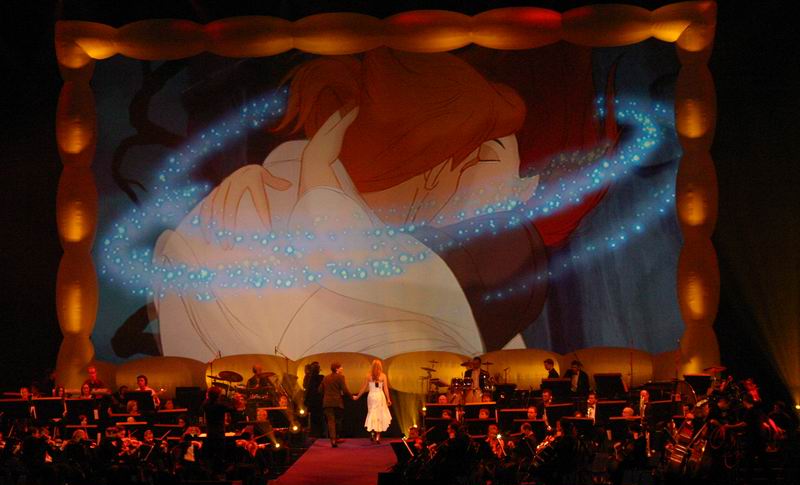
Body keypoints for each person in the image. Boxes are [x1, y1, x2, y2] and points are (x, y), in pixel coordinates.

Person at [152, 47, 616, 362]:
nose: (518, 195)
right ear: (445, 169)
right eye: (505, 179)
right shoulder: (250, 229)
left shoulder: (342, 214)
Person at [353, 359, 392, 443]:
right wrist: (388, 399)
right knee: (379, 415)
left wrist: (357, 396)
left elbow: (363, 388)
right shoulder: (383, 376)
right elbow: (385, 388)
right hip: (380, 396)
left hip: (371, 396)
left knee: (372, 413)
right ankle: (377, 435)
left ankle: (372, 432)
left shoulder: (368, 376)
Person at [319, 362, 352, 447]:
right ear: (337, 369)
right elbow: (345, 390)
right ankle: (336, 437)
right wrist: (351, 397)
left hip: (327, 402)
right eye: (341, 367)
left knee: (331, 421)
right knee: (338, 421)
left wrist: (326, 394)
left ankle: (333, 440)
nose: (342, 368)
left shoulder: (325, 378)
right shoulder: (340, 377)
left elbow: (320, 390)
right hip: (337, 402)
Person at [302, 361, 324, 438]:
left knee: (313, 418)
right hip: (319, 400)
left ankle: (314, 434)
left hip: (312, 401)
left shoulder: (308, 378)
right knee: (319, 418)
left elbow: (305, 387)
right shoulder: (321, 377)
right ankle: (320, 434)